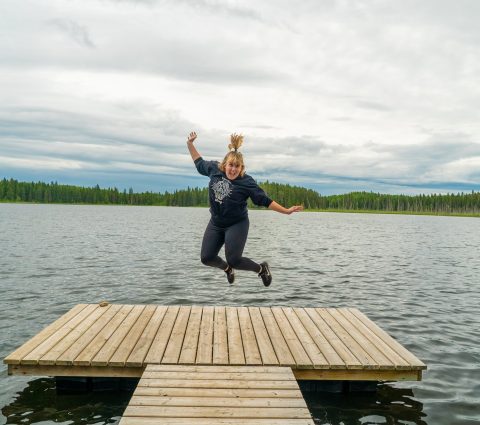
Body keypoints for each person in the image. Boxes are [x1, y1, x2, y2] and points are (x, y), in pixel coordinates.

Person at [187, 131, 303, 286]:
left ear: (241, 167)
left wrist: (286, 211)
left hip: (237, 223)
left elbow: (265, 201)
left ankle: (262, 269)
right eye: (230, 165)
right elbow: (198, 162)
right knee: (206, 258)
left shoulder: (246, 182)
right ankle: (227, 269)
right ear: (224, 164)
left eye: (237, 166)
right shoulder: (214, 169)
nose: (233, 169)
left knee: (234, 259)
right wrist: (190, 144)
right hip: (216, 223)